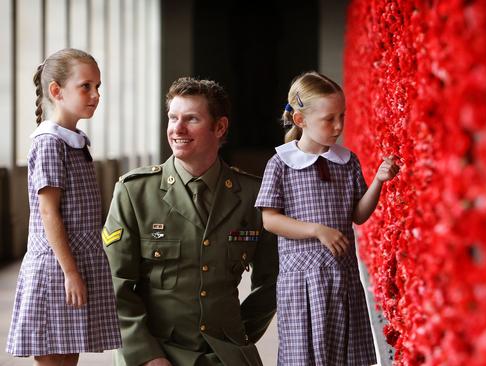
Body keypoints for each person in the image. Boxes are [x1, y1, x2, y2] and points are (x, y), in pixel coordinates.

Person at [102, 77, 279, 366]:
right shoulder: (135, 191)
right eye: (173, 118)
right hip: (156, 352)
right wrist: (146, 355)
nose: (177, 129)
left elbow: (273, 280)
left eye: (191, 119)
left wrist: (239, 335)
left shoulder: (252, 195)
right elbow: (114, 284)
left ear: (219, 127)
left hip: (226, 352)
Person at [255, 71, 400, 365]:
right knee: (304, 357)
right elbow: (270, 220)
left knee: (342, 356)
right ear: (300, 120)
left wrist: (379, 182)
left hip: (341, 279)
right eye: (329, 119)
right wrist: (317, 230)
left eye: (341, 116)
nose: (338, 126)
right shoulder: (281, 164)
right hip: (302, 283)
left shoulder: (347, 161)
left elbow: (358, 214)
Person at [6, 48, 122, 365]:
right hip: (58, 268)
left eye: (98, 86)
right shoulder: (49, 142)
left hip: (77, 261)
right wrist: (70, 272)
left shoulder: (75, 139)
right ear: (56, 91)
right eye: (86, 86)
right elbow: (48, 212)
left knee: (69, 357)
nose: (96, 94)